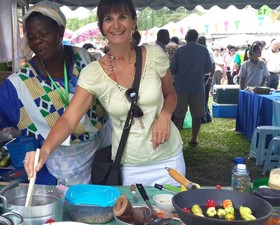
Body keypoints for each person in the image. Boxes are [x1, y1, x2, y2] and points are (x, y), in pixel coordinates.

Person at [0, 1, 109, 185]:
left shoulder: (83, 58)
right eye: (32, 37)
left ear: (60, 32)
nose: (37, 41)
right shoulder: (22, 82)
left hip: (103, 149)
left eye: (44, 34)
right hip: (65, 164)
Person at [24, 0, 185, 187]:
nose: (116, 25)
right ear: (101, 27)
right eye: (109, 19)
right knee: (133, 216)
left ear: (134, 22)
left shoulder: (154, 55)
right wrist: (44, 151)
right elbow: (68, 119)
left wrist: (165, 116)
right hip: (128, 167)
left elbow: (170, 94)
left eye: (122, 17)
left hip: (169, 161)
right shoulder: (94, 73)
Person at [170, 29, 213, 148]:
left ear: (186, 37)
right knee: (197, 115)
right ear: (196, 38)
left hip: (181, 87)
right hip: (197, 87)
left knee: (179, 115)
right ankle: (194, 138)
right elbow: (209, 68)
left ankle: (176, 139)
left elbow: (172, 69)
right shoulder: (203, 50)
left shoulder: (179, 51)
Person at [197, 35, 215, 124]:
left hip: (206, 77)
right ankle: (207, 116)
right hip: (203, 76)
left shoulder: (207, 51)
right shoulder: (202, 50)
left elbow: (213, 65)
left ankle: (203, 117)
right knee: (203, 98)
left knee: (204, 98)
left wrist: (210, 78)